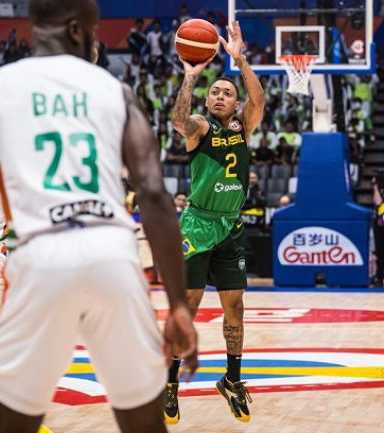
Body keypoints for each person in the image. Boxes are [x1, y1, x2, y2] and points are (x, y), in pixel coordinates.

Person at [0, 1, 199, 432]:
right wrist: (176, 306)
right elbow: (153, 194)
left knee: (12, 424)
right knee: (144, 423)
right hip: (112, 256)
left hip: (39, 257)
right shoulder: (118, 94)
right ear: (78, 29)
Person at [168, 20, 264, 424]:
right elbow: (178, 121)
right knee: (186, 309)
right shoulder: (200, 128)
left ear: (236, 103)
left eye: (228, 92)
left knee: (235, 308)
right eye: (216, 92)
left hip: (231, 227)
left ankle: (231, 379)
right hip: (196, 226)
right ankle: (169, 384)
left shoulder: (244, 129)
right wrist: (191, 78)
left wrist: (239, 60)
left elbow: (258, 99)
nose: (222, 95)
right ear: (208, 103)